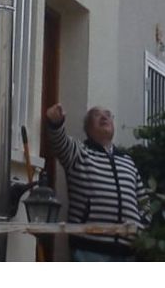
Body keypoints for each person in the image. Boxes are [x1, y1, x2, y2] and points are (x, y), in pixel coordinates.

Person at [43, 103, 144, 260]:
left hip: (128, 252)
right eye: (97, 114)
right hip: (89, 249)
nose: (104, 117)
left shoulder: (127, 161)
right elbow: (59, 142)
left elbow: (143, 201)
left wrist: (142, 228)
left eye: (108, 114)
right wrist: (55, 123)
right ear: (88, 127)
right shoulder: (80, 153)